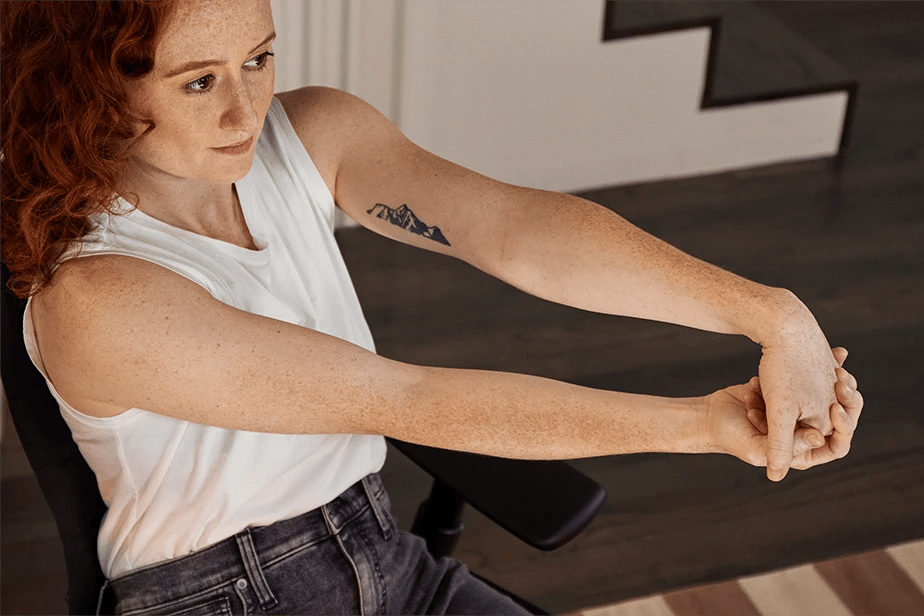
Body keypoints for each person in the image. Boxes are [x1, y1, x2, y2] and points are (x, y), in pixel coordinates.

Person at [0, 1, 864, 614]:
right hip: (220, 596)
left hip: (381, 554)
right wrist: (708, 425)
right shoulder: (97, 296)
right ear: (95, 86)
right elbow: (408, 399)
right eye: (198, 82)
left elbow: (516, 230)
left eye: (259, 59)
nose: (245, 108)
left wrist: (773, 314)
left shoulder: (309, 136)